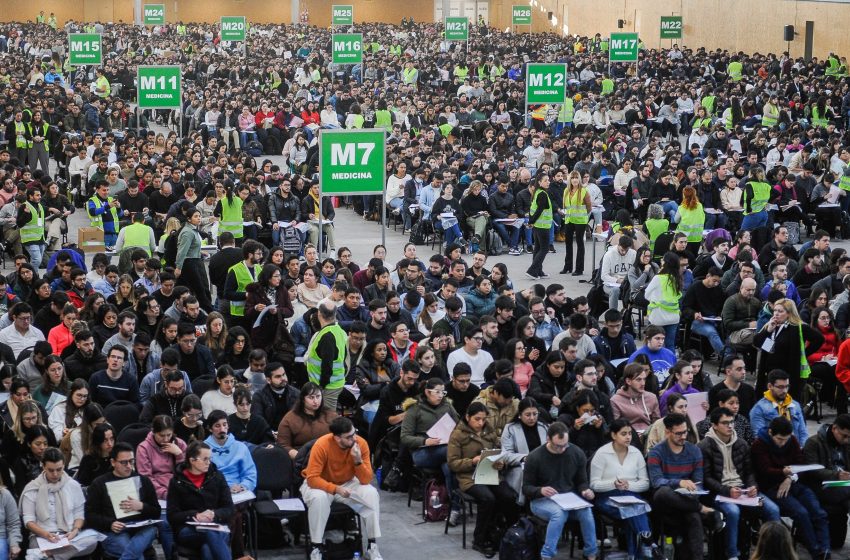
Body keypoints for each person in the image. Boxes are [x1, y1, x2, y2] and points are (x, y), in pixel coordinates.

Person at [698, 407, 781, 560]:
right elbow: (707, 478)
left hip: (743, 490)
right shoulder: (704, 446)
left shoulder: (741, 444)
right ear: (714, 425)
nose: (730, 426)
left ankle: (772, 553)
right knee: (733, 512)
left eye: (732, 422)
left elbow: (749, 472)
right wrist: (726, 490)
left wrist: (752, 486)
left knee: (772, 509)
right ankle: (732, 555)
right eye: (725, 423)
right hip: (719, 493)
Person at [301, 416, 383, 560]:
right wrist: (336, 489)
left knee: (371, 493)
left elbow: (366, 479)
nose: (355, 438)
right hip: (321, 484)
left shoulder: (361, 444)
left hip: (347, 482)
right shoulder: (322, 445)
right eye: (349, 437)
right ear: (338, 438)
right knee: (318, 498)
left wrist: (358, 461)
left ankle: (372, 545)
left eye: (354, 433)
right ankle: (316, 547)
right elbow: (312, 478)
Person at [751, 416, 831, 559]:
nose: (783, 443)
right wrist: (783, 472)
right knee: (801, 513)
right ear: (770, 433)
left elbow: (800, 464)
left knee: (818, 512)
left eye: (785, 439)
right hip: (772, 487)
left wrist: (789, 477)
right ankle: (816, 551)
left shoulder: (792, 441)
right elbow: (764, 470)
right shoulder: (759, 444)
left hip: (793, 483)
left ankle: (825, 550)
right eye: (779, 439)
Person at [647, 413, 722, 560]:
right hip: (665, 505)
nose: (683, 436)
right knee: (662, 492)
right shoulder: (656, 452)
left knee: (693, 516)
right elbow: (656, 482)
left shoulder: (694, 451)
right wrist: (678, 482)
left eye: (685, 432)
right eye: (678, 433)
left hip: (688, 501)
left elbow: (698, 483)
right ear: (668, 432)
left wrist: (690, 491)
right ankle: (703, 510)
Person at [447, 400, 517, 557]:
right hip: (469, 477)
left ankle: (507, 533)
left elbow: (501, 452)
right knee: (488, 499)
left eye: (484, 419)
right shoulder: (458, 435)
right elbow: (452, 463)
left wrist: (501, 463)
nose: (481, 423)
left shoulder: (490, 431)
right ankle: (480, 539)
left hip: (490, 473)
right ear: (467, 417)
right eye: (477, 419)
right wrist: (472, 461)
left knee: (509, 496)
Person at [522, 421, 597, 560]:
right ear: (548, 439)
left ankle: (591, 553)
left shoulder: (576, 453)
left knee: (586, 511)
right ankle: (547, 555)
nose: (562, 449)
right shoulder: (534, 457)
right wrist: (540, 490)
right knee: (559, 513)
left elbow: (581, 481)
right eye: (558, 446)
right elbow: (526, 488)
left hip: (569, 499)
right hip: (541, 500)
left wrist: (585, 490)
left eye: (565, 445)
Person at [590, 418, 658, 560]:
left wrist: (629, 485)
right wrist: (613, 484)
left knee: (635, 509)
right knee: (635, 510)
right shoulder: (602, 454)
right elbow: (594, 485)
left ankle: (638, 552)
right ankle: (648, 546)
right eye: (623, 434)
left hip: (631, 495)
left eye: (629, 433)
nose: (628, 437)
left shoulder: (636, 453)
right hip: (607, 496)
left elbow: (645, 483)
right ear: (614, 435)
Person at [83, 442, 162, 560]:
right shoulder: (99, 484)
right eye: (124, 462)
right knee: (135, 553)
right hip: (115, 530)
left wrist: (142, 506)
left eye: (131, 461)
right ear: (113, 462)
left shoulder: (144, 481)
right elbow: (90, 516)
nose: (129, 466)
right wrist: (109, 523)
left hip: (142, 528)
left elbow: (156, 512)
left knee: (149, 532)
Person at [20, 447, 98, 559]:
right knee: (35, 545)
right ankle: (54, 554)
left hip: (69, 534)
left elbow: (79, 513)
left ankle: (48, 555)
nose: (55, 474)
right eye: (51, 470)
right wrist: (45, 534)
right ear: (43, 466)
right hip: (43, 535)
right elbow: (29, 521)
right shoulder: (32, 488)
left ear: (64, 465)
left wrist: (75, 530)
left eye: (59, 469)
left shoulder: (73, 485)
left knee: (92, 541)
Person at [166, 440, 233, 560]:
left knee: (207, 549)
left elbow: (229, 508)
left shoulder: (217, 476)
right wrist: (195, 515)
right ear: (192, 460)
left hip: (217, 525)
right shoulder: (177, 481)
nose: (209, 462)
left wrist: (214, 514)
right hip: (188, 529)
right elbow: (172, 515)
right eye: (205, 459)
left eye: (210, 459)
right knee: (210, 533)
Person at [203, 410, 255, 559]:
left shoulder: (240, 447)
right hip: (216, 492)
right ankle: (236, 555)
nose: (222, 429)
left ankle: (225, 552)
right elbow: (204, 475)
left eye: (225, 425)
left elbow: (250, 473)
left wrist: (243, 486)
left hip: (239, 492)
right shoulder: (204, 449)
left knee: (234, 510)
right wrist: (224, 489)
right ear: (210, 429)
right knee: (234, 513)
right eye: (217, 426)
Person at [753, 298, 824, 399]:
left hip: (788, 373)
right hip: (768, 372)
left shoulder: (798, 327)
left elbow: (819, 339)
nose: (776, 314)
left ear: (789, 313)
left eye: (780, 311)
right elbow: (756, 342)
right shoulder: (771, 325)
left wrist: (803, 353)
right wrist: (767, 331)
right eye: (775, 310)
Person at [802, 413, 850, 548]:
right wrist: (836, 475)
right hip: (823, 486)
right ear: (834, 428)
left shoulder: (847, 443)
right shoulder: (813, 442)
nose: (846, 440)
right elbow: (812, 469)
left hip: (844, 486)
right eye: (844, 436)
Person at [276, 382, 337, 459]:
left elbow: (343, 435)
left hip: (328, 456)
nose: (316, 401)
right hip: (302, 459)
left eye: (318, 396)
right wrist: (301, 457)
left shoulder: (330, 415)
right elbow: (283, 445)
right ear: (303, 399)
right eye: (311, 397)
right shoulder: (290, 419)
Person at [306, 298, 348, 411]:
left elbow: (327, 366)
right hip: (334, 384)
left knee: (326, 420)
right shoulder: (338, 330)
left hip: (327, 387)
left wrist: (321, 387)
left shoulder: (327, 336)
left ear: (319, 313)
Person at [750, 369, 809, 445]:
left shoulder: (795, 405)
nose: (784, 390)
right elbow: (760, 438)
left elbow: (803, 433)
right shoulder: (759, 409)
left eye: (786, 387)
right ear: (770, 386)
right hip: (772, 452)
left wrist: (800, 451)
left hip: (795, 451)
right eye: (780, 387)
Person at [645, 252, 683, 353]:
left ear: (666, 263)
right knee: (670, 345)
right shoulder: (677, 278)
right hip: (674, 316)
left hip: (658, 316)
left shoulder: (658, 278)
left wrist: (655, 299)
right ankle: (671, 366)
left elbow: (646, 294)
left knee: (654, 344)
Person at [251, 362, 299, 430]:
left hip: (292, 432)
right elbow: (257, 420)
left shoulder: (296, 394)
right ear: (268, 380)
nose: (283, 378)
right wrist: (270, 432)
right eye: (278, 376)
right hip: (268, 434)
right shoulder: (259, 396)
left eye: (284, 374)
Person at [708, 353, 757, 418]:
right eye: (739, 369)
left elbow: (754, 414)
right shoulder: (715, 391)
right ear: (728, 372)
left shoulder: (749, 390)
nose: (744, 372)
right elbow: (711, 417)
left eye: (744, 368)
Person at [526, 173, 552, 280]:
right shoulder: (542, 194)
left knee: (537, 248)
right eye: (545, 180)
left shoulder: (537, 192)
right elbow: (539, 210)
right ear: (540, 182)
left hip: (538, 225)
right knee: (544, 249)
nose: (548, 182)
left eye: (548, 180)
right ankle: (532, 270)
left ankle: (538, 271)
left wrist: (531, 221)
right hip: (542, 226)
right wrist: (531, 221)